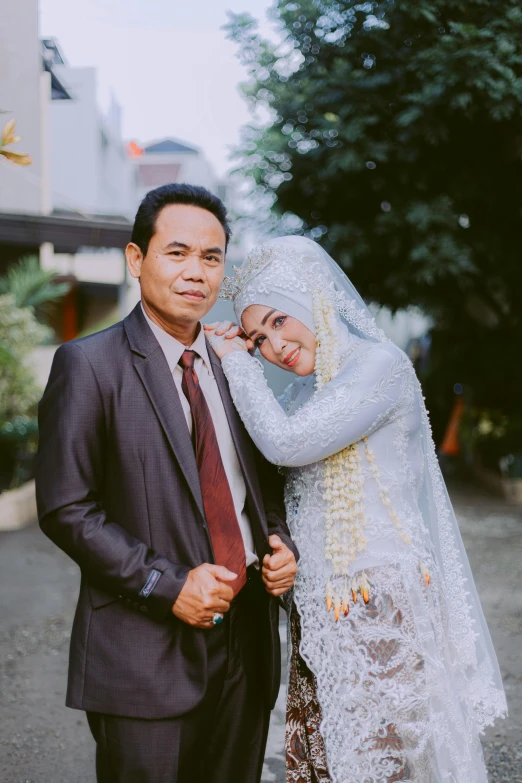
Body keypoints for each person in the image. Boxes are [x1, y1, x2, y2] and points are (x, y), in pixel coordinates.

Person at [205, 235, 507, 783]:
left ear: (312, 303)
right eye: (256, 338)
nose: (274, 345)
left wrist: (235, 363)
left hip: (379, 603)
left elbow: (286, 445)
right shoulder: (304, 394)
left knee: (388, 760)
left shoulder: (379, 367)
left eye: (279, 321)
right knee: (328, 761)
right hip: (321, 612)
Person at [35, 184, 298, 783]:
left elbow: (262, 490)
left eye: (210, 258)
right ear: (137, 259)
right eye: (176, 253)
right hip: (143, 652)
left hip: (249, 646)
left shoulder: (238, 366)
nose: (195, 273)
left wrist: (280, 544)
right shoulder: (88, 365)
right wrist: (165, 583)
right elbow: (66, 507)